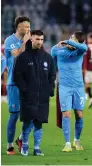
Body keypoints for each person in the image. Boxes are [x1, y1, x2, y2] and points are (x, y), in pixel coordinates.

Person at [13, 30, 56, 156]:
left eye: (42, 40)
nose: (40, 42)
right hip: (28, 96)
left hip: (42, 96)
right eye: (37, 39)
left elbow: (52, 75)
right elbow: (17, 76)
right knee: (27, 121)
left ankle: (37, 148)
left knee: (39, 122)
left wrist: (49, 89)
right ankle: (24, 145)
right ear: (31, 39)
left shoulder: (47, 57)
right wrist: (25, 90)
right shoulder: (22, 57)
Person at [51, 31, 88, 152]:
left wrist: (67, 41)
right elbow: (52, 54)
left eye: (74, 39)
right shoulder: (58, 50)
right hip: (64, 87)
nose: (71, 40)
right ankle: (67, 143)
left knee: (79, 114)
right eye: (71, 37)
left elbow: (84, 47)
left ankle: (76, 140)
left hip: (78, 87)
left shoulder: (79, 51)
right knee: (66, 114)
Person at [4, 16, 31, 155]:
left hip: (28, 84)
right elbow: (17, 55)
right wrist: (25, 42)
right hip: (14, 83)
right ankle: (9, 146)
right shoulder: (10, 40)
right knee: (14, 115)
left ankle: (21, 139)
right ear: (18, 26)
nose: (28, 28)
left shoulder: (30, 41)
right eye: (26, 26)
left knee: (33, 115)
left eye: (29, 26)